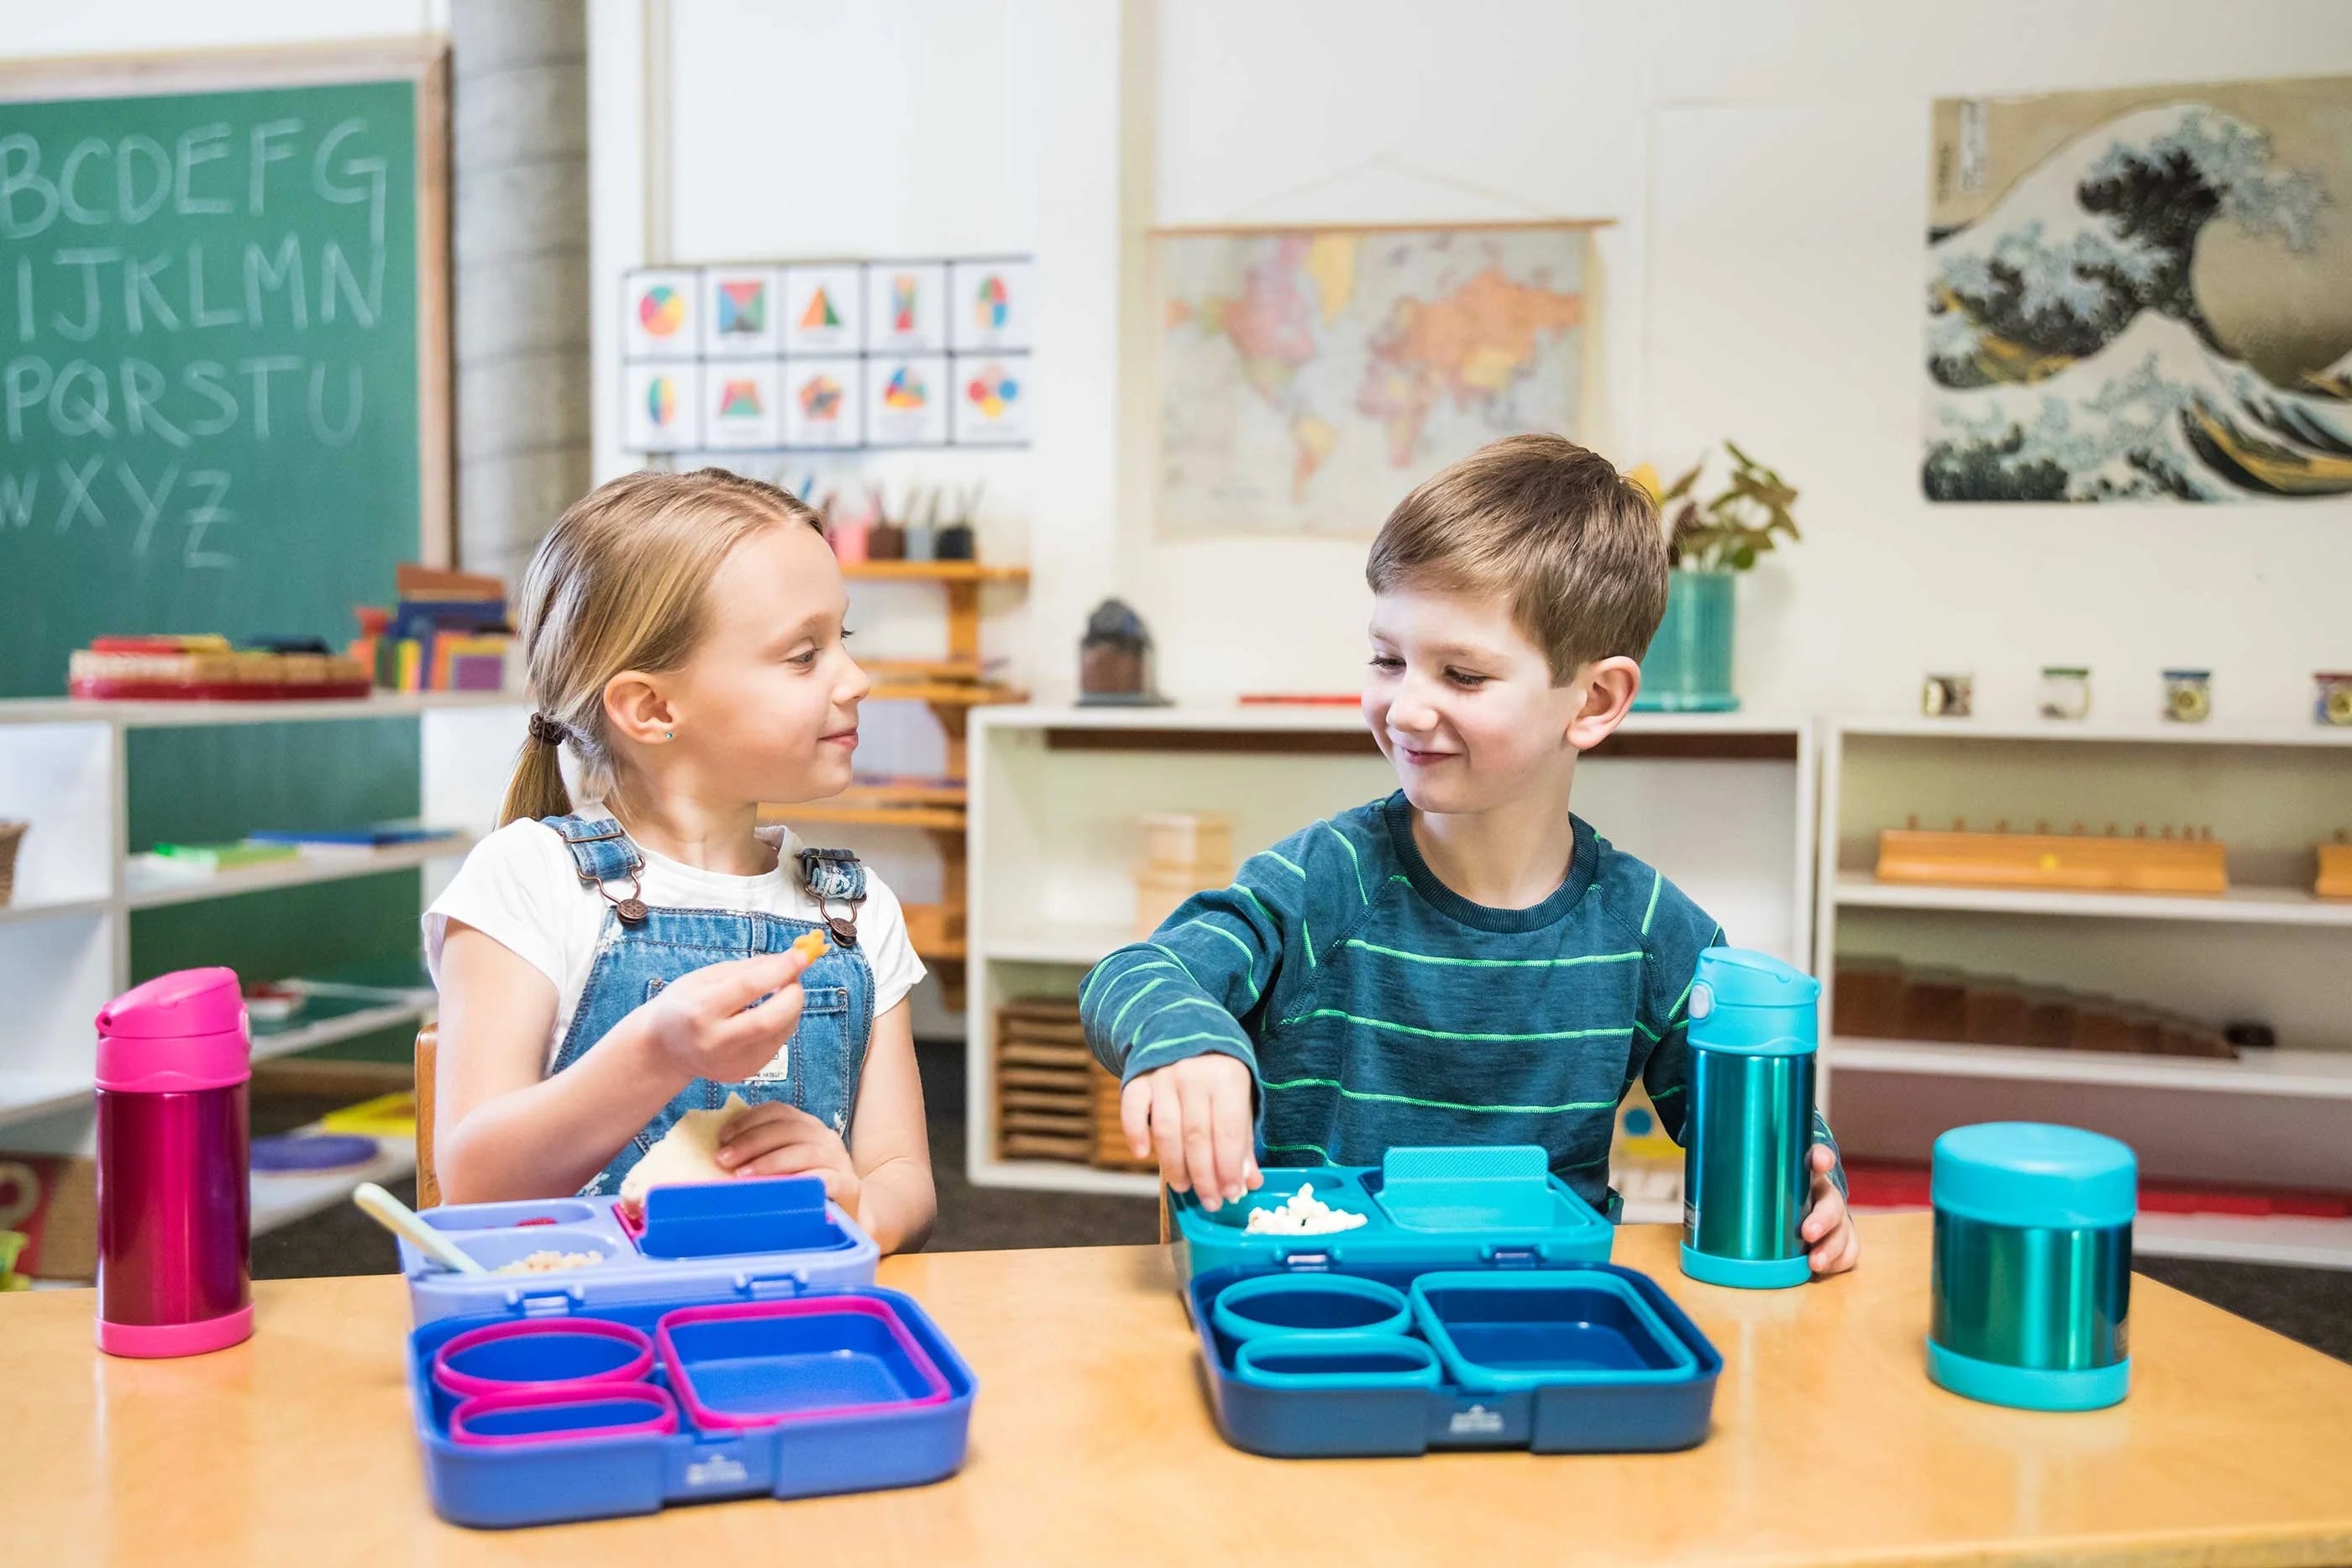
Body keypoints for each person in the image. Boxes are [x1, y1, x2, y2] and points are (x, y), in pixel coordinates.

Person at [1082, 434, 1858, 1276]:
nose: (1405, 709)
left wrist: (1811, 1185)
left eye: (1462, 675)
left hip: (1536, 1313)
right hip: (1321, 1306)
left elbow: (1756, 1123)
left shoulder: (1646, 929)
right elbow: (1135, 971)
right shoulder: (1322, 881)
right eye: (1388, 660)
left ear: (1594, 700)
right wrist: (1187, 1038)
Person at [426, 469, 934, 1253]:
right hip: (591, 1318)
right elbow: (475, 1185)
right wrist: (655, 1052)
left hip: (790, 1314)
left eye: (845, 639)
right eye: (804, 655)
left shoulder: (855, 910)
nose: (856, 679)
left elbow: (904, 1178)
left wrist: (862, 1204)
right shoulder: (528, 880)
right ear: (653, 708)